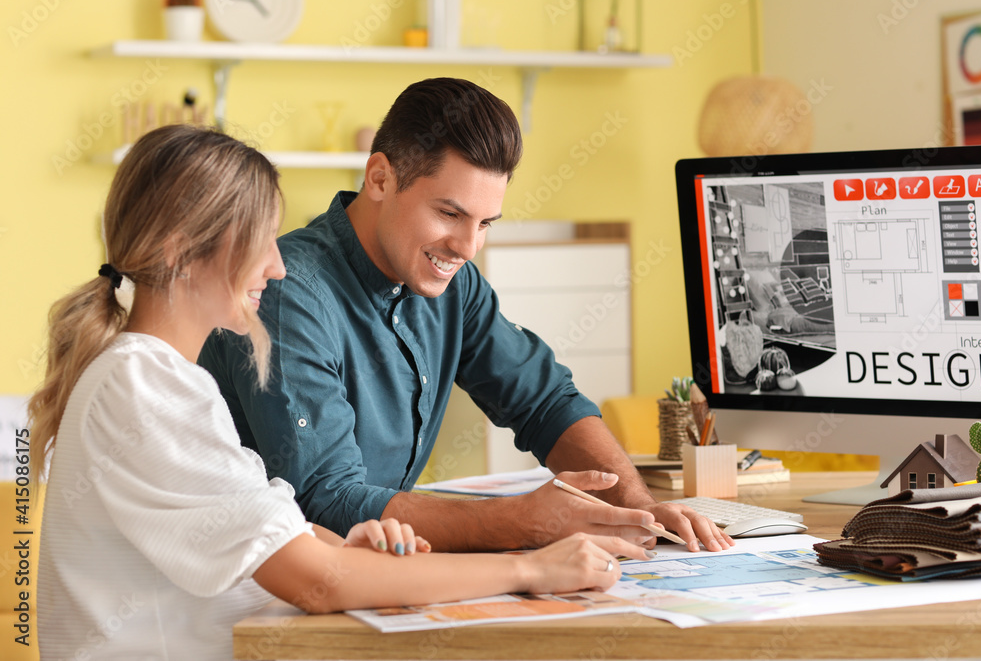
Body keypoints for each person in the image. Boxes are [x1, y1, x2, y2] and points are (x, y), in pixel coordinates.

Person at [30, 125, 651, 661]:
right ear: (179, 253)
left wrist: (346, 545)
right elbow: (318, 585)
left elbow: (280, 535)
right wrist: (531, 568)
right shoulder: (145, 388)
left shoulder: (162, 380)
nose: (274, 266)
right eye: (259, 239)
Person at [199, 77, 734, 553]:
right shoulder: (287, 291)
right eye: (449, 214)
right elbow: (326, 502)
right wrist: (523, 522)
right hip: (260, 596)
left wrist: (635, 509)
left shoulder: (454, 283)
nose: (467, 246)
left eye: (486, 223)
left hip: (373, 572)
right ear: (380, 178)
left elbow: (546, 402)